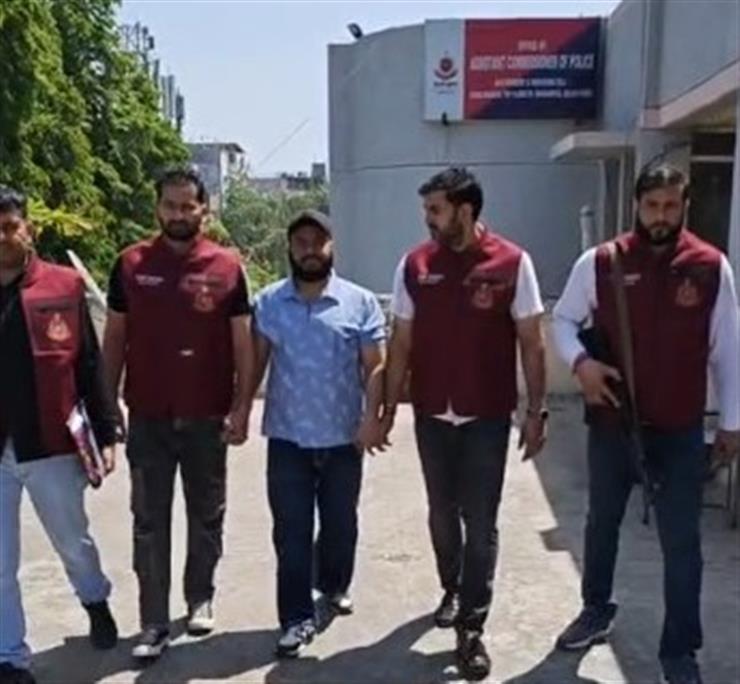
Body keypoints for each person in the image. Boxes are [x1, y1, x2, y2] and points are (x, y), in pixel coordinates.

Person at [552, 163, 740, 684]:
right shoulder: (602, 262)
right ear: (637, 205)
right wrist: (581, 364)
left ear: (685, 206)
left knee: (682, 545)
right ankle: (596, 610)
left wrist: (732, 422)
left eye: (671, 206)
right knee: (601, 524)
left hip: (679, 431)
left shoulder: (710, 267)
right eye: (652, 205)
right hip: (613, 424)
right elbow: (563, 320)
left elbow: (728, 351)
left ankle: (679, 652)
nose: (661, 216)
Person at [382, 167, 547, 681]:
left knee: (481, 522)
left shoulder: (512, 263)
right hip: (432, 413)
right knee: (441, 513)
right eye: (426, 210)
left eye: (436, 209)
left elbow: (532, 342)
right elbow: (401, 342)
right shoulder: (415, 265)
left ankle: (471, 627)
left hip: (486, 417)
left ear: (465, 210)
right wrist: (386, 409)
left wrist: (536, 411)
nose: (428, 219)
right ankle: (451, 587)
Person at [102, 168, 253, 659]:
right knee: (148, 520)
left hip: (207, 415)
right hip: (148, 415)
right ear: (157, 209)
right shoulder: (130, 264)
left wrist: (241, 405)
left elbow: (243, 344)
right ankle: (153, 621)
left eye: (188, 206)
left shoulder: (227, 267)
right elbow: (115, 338)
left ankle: (200, 595)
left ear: (204, 209)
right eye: (170, 205)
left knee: (207, 513)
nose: (179, 214)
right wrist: (107, 403)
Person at [250, 210, 386, 658]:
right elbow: (255, 362)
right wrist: (239, 408)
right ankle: (295, 618)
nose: (310, 250)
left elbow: (375, 366)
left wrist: (372, 418)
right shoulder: (269, 303)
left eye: (318, 242)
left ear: (331, 247)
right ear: (290, 249)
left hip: (344, 438)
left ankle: (334, 585)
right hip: (287, 438)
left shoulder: (359, 302)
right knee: (290, 532)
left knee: (340, 524)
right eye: (301, 242)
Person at [0, 187, 119, 684]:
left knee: (72, 542)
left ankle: (94, 598)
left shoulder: (62, 286)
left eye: (9, 226)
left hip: (49, 441)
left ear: (29, 229)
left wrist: (108, 430)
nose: (2, 237)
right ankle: (10, 657)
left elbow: (89, 364)